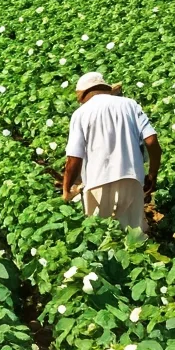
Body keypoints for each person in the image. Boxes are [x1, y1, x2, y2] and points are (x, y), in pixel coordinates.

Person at [60, 71, 160, 234]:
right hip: (132, 180)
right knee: (135, 238)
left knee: (103, 238)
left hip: (97, 183)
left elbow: (74, 159)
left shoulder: (81, 114)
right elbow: (152, 141)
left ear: (84, 95)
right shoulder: (130, 105)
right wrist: (152, 174)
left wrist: (66, 190)